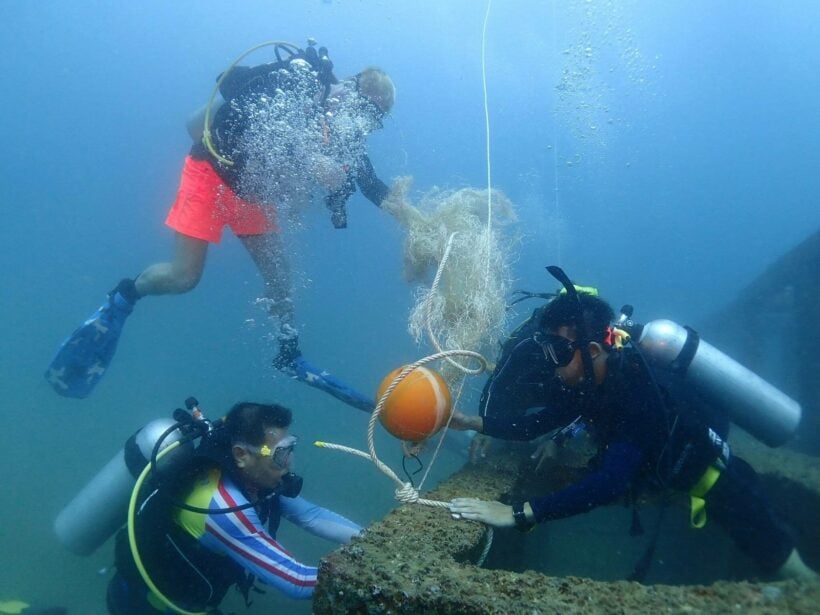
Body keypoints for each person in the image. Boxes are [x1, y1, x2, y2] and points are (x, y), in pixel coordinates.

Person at [45, 41, 394, 410]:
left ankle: (289, 352)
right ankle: (125, 295)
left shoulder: (344, 132)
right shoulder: (301, 82)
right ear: (354, 90)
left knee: (279, 274)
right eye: (369, 113)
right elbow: (252, 120)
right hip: (211, 170)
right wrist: (311, 159)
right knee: (183, 277)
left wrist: (421, 223)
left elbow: (372, 185)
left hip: (251, 189)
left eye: (375, 121)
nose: (365, 125)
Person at [448, 278, 816, 581]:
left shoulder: (634, 389)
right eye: (547, 350)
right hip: (669, 479)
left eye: (559, 353)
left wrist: (517, 514)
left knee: (788, 566)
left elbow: (611, 481)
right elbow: (535, 425)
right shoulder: (590, 384)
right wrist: (473, 422)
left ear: (592, 349)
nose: (551, 364)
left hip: (720, 483)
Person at [107, 401, 361, 613]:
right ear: (241, 454)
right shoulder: (225, 512)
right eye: (280, 454)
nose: (289, 464)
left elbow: (311, 516)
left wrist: (374, 541)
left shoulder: (252, 475)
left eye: (290, 448)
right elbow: (297, 581)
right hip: (149, 607)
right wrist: (370, 573)